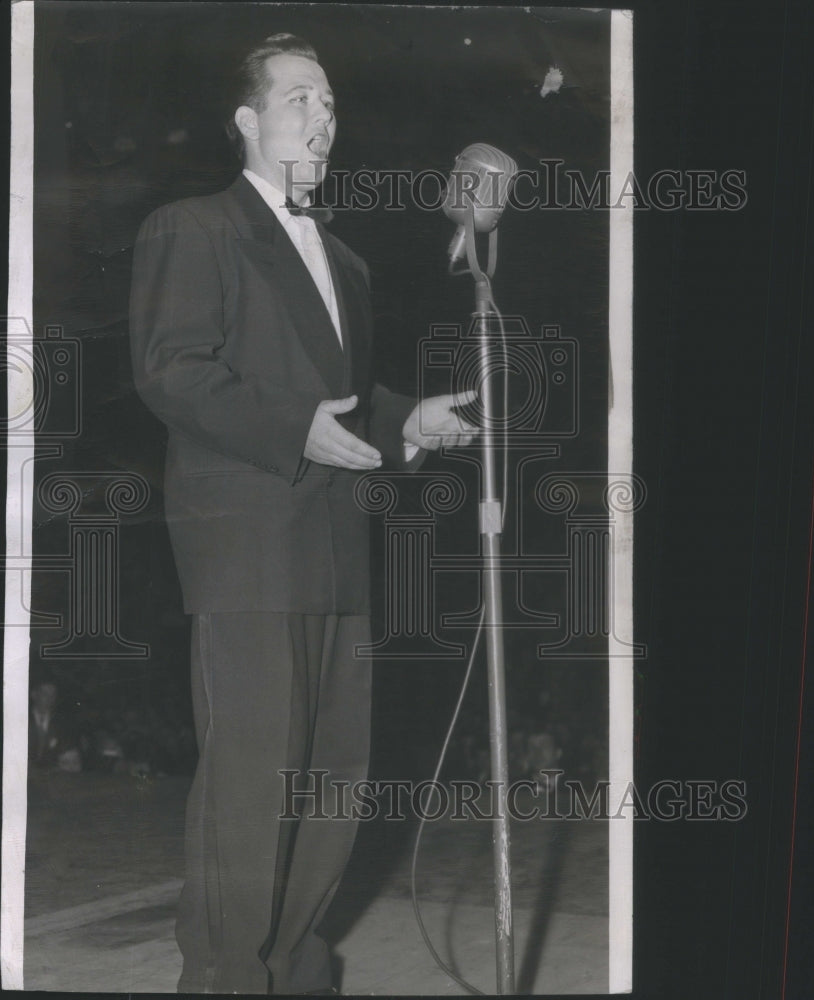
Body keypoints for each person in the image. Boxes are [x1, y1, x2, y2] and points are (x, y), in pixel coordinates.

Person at [129, 32, 476, 995]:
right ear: (247, 120)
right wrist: (295, 430)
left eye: (328, 104)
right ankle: (228, 974)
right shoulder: (192, 228)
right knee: (252, 777)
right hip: (245, 540)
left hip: (338, 543)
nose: (321, 119)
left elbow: (347, 403)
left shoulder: (348, 262)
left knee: (334, 778)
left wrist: (413, 421)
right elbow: (172, 369)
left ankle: (295, 964)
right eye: (299, 100)